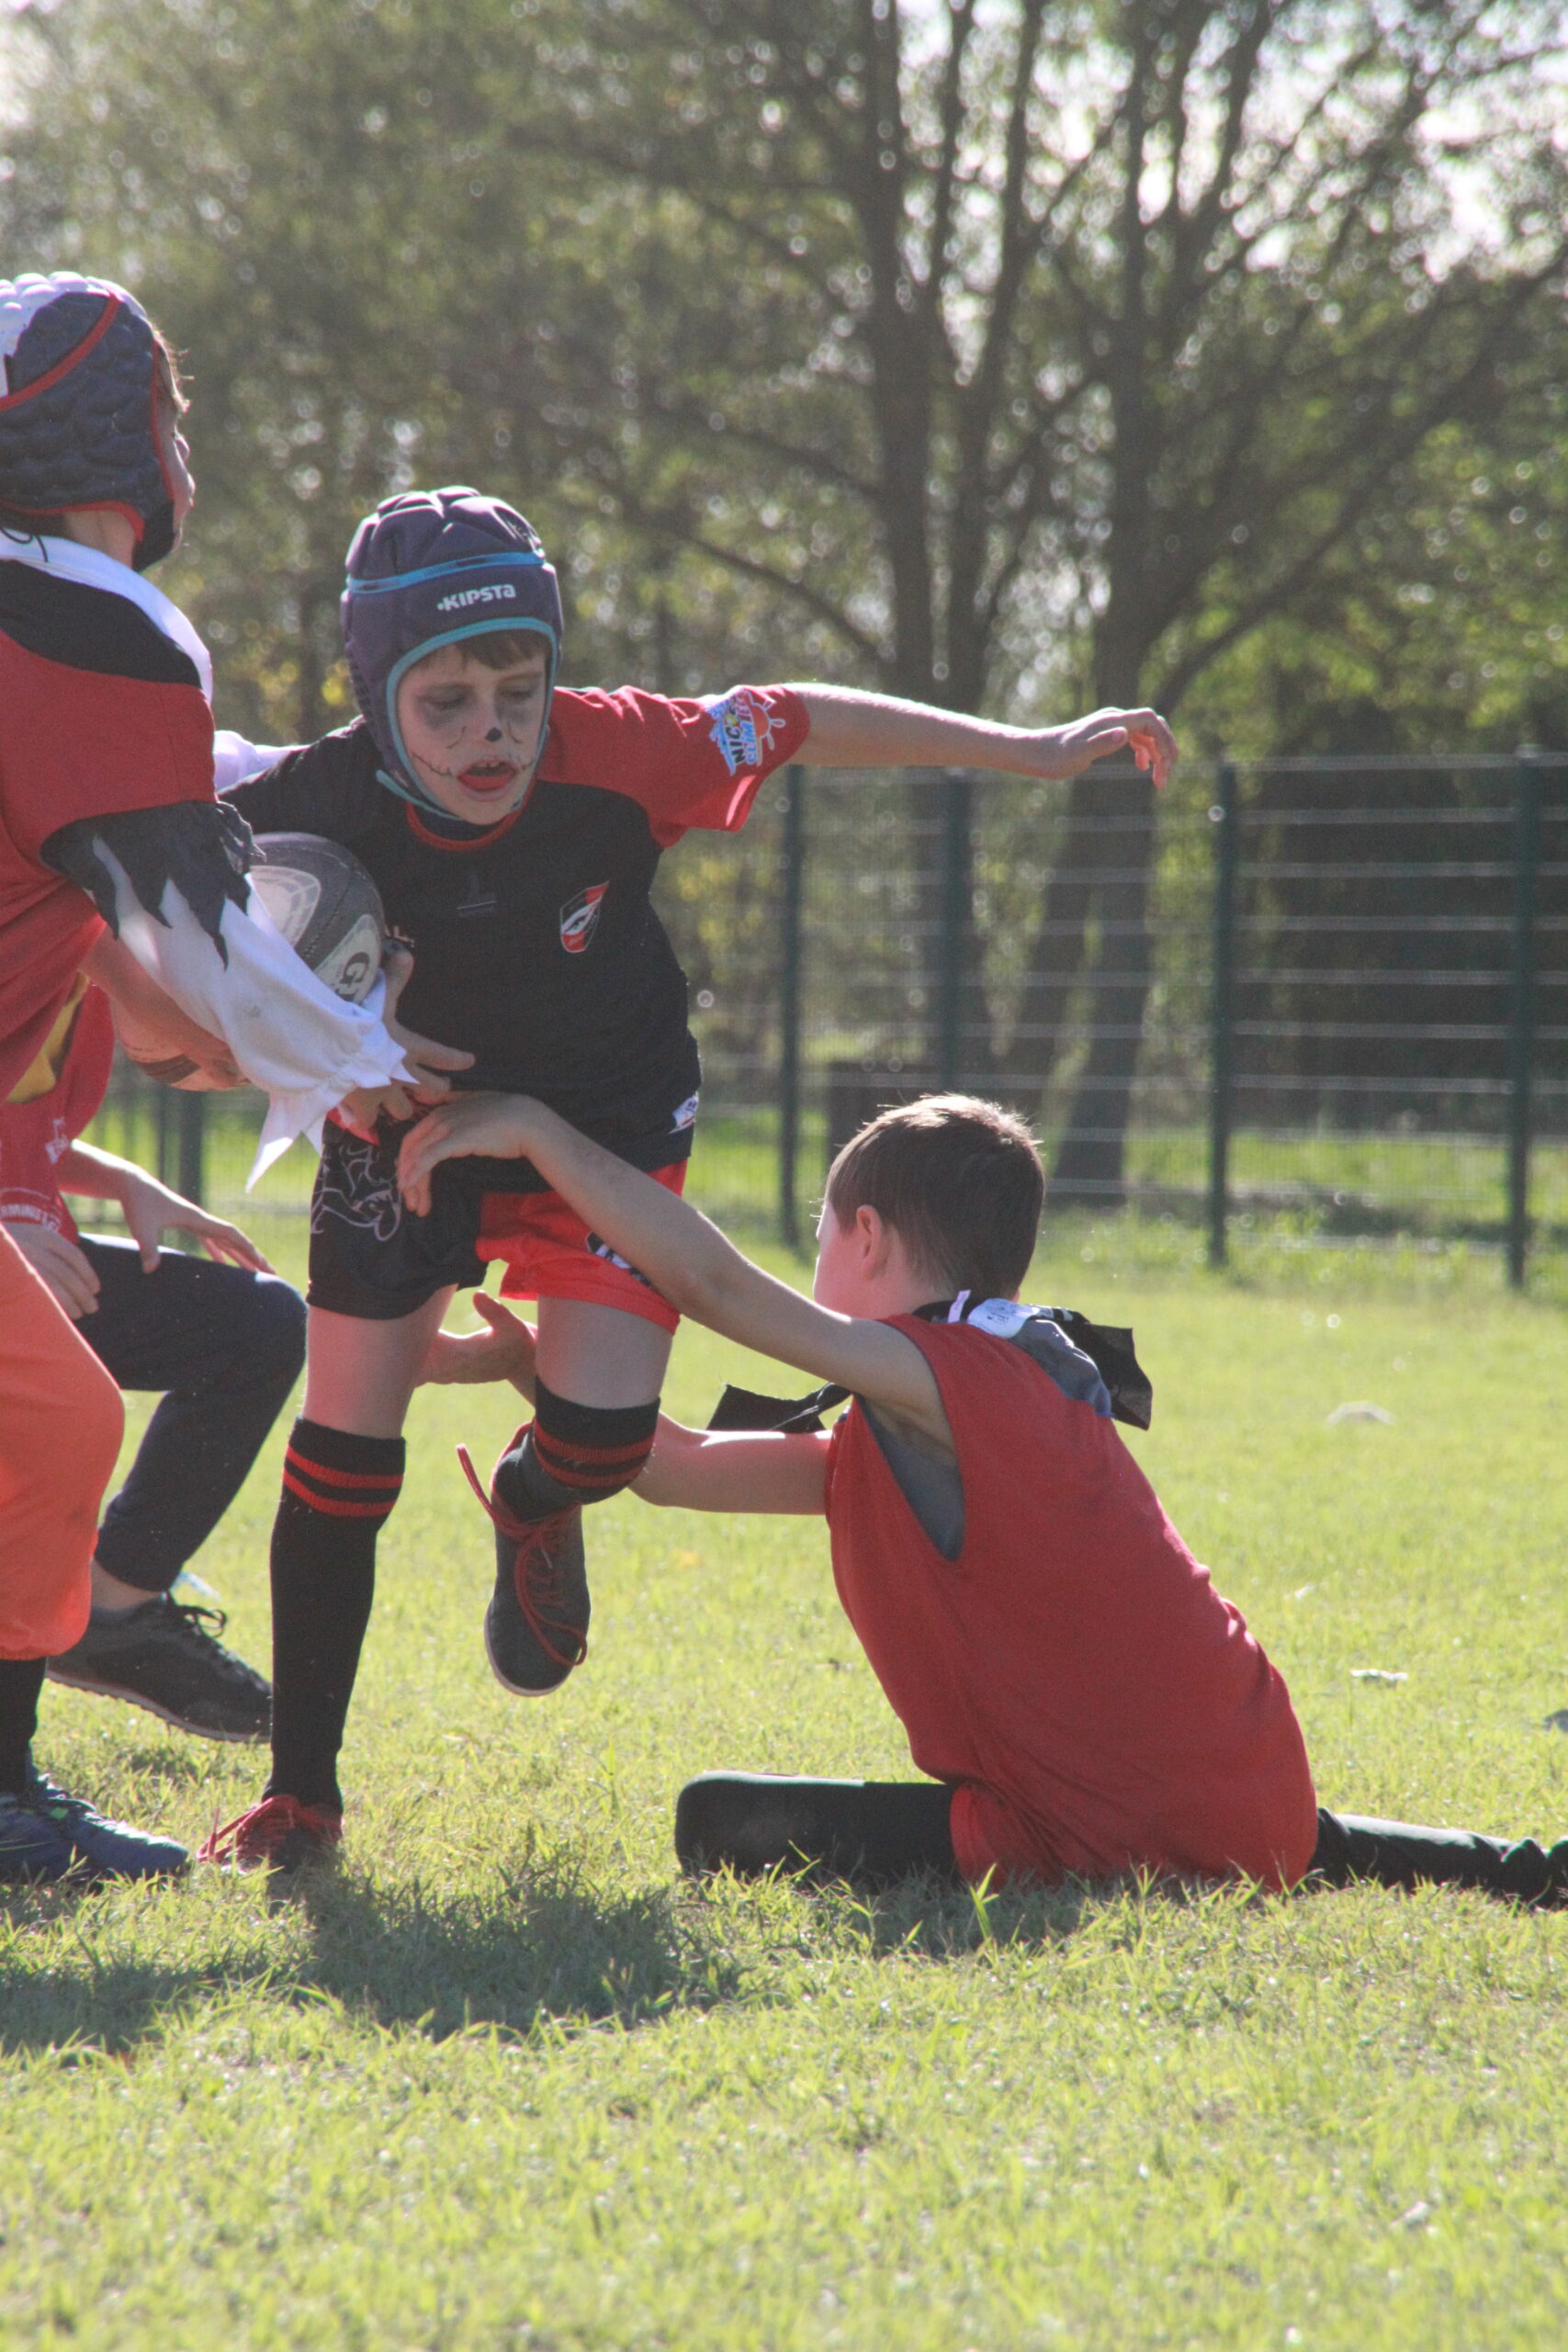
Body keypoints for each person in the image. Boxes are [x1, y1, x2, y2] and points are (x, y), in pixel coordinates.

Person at [197, 481, 1177, 1872]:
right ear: (372, 694)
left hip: (601, 1119)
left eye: (519, 691)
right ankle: (302, 1797)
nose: (492, 732)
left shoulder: (623, 750)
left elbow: (798, 716)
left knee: (605, 1441)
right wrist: (312, 1035)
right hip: (403, 1123)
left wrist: (1021, 749)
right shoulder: (294, 806)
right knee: (345, 1446)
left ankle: (538, 1498)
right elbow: (152, 961)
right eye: (447, 702)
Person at [399, 1091, 1568, 1908]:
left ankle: (1355, 1859)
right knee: (1223, 1830)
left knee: (717, 1823)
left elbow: (712, 1284)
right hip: (1255, 1786)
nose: (813, 1265)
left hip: (1110, 1827)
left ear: (865, 1236)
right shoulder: (945, 1402)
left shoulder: (959, 1380)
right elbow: (670, 1467)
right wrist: (538, 1371)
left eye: (821, 1237)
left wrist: (541, 1133)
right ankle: (1519, 1868)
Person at [0, 269, 463, 1883]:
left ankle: (92, 1640)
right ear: (102, 430)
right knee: (51, 1411)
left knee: (93, 1385)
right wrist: (360, 1062)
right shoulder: (89, 621)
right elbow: (193, 935)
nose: (182, 448)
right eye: (168, 413)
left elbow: (205, 802)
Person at [0, 973, 299, 1742]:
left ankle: (116, 1612)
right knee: (61, 1429)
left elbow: (23, 1132)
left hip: (34, 1260)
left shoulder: (87, 969)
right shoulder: (35, 936)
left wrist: (123, 1178)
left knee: (258, 1324)